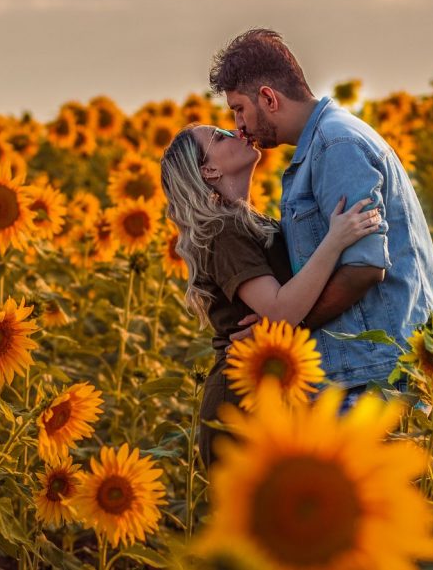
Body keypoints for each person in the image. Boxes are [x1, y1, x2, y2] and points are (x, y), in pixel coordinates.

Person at [210, 28, 433, 412]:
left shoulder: (337, 146)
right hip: (367, 374)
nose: (239, 126)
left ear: (268, 98)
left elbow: (364, 267)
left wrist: (284, 331)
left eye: (239, 108)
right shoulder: (325, 143)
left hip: (375, 380)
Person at [160, 123, 381, 468]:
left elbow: (284, 307)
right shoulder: (223, 231)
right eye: (219, 136)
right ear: (209, 170)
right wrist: (336, 240)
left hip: (268, 390)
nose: (235, 131)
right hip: (240, 403)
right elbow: (281, 309)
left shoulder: (249, 221)